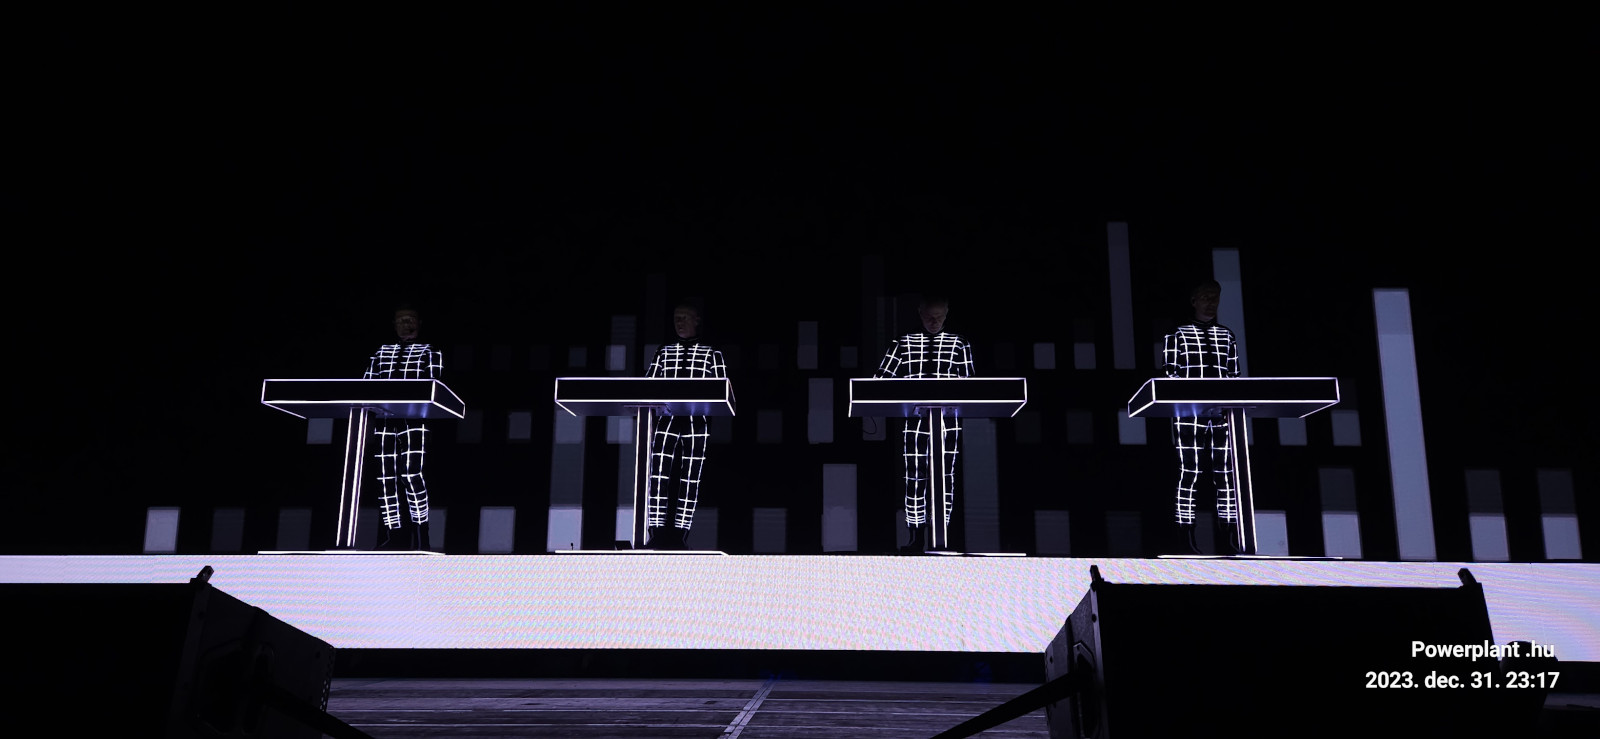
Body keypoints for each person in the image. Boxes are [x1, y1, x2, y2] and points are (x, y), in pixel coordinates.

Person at [874, 295, 974, 553]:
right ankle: (916, 535)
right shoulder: (903, 343)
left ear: (947, 314)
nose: (934, 321)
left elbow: (971, 386)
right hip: (915, 419)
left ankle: (942, 534)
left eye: (939, 317)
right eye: (930, 316)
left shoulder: (959, 343)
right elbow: (880, 380)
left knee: (945, 476)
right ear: (920, 313)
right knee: (915, 476)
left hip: (948, 421)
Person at [1162, 280, 1241, 554]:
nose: (1211, 303)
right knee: (1190, 472)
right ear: (1194, 301)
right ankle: (1186, 535)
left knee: (1226, 474)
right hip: (1189, 412)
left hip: (1222, 413)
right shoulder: (1178, 335)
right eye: (1206, 297)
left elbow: (1234, 376)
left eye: (1215, 297)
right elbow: (1171, 374)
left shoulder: (1227, 336)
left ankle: (1229, 535)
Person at [642, 302, 727, 550]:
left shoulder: (712, 353)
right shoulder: (664, 352)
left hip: (696, 421)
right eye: (676, 318)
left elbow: (721, 388)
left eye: (684, 318)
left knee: (691, 478)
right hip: (666, 419)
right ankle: (656, 532)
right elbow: (646, 386)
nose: (679, 323)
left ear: (697, 320)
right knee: (658, 475)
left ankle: (681, 534)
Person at [364, 306, 441, 551]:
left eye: (410, 319)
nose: (405, 323)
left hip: (414, 418)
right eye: (400, 320)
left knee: (411, 474)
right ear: (394, 324)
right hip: (385, 419)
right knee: (386, 476)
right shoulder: (381, 352)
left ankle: (420, 532)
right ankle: (394, 533)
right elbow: (365, 384)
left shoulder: (429, 351)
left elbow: (433, 385)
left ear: (419, 322)